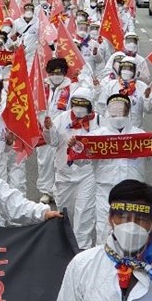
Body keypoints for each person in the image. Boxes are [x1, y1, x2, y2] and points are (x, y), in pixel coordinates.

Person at [81, 93, 152, 241]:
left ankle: (133, 263)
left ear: (128, 112)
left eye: (122, 110)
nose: (118, 113)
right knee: (104, 230)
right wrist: (75, 147)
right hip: (106, 192)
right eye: (114, 110)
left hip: (134, 194)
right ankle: (104, 262)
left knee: (135, 234)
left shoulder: (140, 135)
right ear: (108, 111)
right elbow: (80, 161)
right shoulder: (96, 137)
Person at [42, 86, 97, 249]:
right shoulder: (61, 118)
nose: (79, 108)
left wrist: (82, 148)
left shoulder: (99, 121)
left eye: (83, 104)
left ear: (90, 105)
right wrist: (48, 128)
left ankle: (82, 250)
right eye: (76, 103)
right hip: (64, 173)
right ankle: (64, 247)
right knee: (66, 213)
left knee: (84, 214)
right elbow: (53, 142)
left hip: (87, 174)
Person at [36, 58, 74, 205]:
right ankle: (46, 191)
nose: (56, 75)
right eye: (53, 73)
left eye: (59, 72)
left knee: (59, 162)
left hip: (62, 131)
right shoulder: (41, 86)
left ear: (64, 73)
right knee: (44, 162)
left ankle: (59, 190)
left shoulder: (71, 87)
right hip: (44, 129)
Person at [98, 55, 152, 128]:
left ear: (136, 70)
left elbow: (149, 110)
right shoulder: (111, 85)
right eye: (124, 68)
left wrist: (147, 98)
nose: (126, 71)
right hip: (112, 130)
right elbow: (101, 106)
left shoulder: (143, 88)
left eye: (130, 69)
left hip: (134, 131)